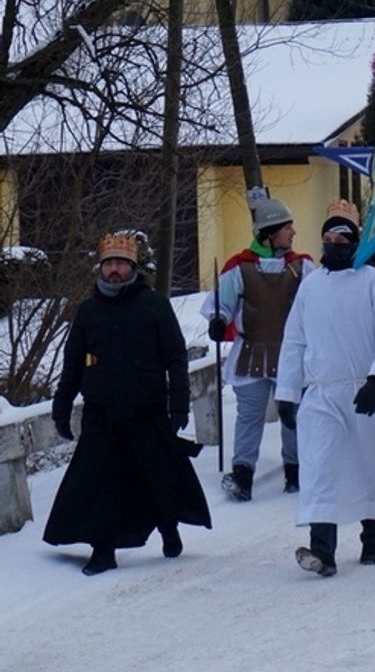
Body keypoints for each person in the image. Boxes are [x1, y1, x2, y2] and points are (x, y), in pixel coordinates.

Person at [45, 233, 211, 575]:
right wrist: (61, 407)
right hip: (101, 414)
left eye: (121, 264)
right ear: (101, 269)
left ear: (133, 268)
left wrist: (178, 405)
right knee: (100, 481)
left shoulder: (154, 305)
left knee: (155, 476)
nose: (115, 270)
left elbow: (175, 357)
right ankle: (103, 551)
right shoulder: (89, 311)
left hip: (147, 410)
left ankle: (168, 527)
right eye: (109, 264)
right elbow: (73, 364)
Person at [275, 201, 375, 578]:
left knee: (369, 462)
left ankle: (371, 538)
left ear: (356, 240)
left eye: (343, 236)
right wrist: (287, 391)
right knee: (320, 467)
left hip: (365, 390)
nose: (335, 243)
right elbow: (295, 339)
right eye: (329, 237)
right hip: (322, 393)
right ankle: (323, 551)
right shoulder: (311, 286)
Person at [203, 198, 315, 501]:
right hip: (251, 351)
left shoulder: (302, 267)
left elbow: (317, 307)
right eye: (287, 227)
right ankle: (243, 474)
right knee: (249, 415)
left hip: (291, 353)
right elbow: (222, 304)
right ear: (270, 232)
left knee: (291, 414)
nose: (293, 232)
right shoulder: (240, 268)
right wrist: (218, 320)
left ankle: (296, 471)